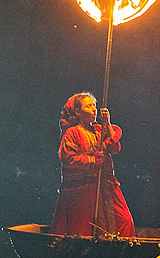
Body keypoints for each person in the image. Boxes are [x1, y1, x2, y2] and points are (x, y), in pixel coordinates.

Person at [50, 92, 136, 238]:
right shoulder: (72, 133)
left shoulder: (99, 131)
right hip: (81, 191)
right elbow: (68, 158)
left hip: (105, 187)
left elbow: (114, 148)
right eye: (89, 106)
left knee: (125, 221)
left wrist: (106, 122)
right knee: (83, 228)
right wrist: (93, 161)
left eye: (94, 106)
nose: (94, 109)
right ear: (77, 112)